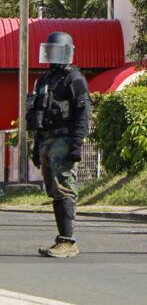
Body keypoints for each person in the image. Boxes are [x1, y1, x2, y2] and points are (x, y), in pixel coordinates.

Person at [26, 32, 91, 258]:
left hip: (63, 139)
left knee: (63, 187)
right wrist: (36, 146)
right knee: (54, 189)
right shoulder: (45, 80)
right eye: (50, 51)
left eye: (58, 51)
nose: (53, 56)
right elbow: (37, 114)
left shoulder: (74, 79)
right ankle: (62, 238)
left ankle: (68, 242)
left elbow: (83, 113)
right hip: (47, 141)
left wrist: (76, 144)